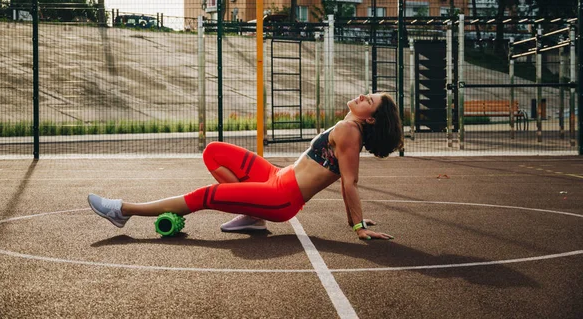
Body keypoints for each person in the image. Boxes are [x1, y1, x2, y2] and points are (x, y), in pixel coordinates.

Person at [88, 93, 404, 240]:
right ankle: (252, 216)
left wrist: (358, 227)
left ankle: (123, 211)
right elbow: (345, 180)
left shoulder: (350, 132)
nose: (363, 95)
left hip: (281, 196)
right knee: (214, 152)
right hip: (276, 177)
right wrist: (356, 220)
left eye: (370, 100)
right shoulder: (348, 129)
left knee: (206, 195)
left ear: (370, 117)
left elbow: (349, 182)